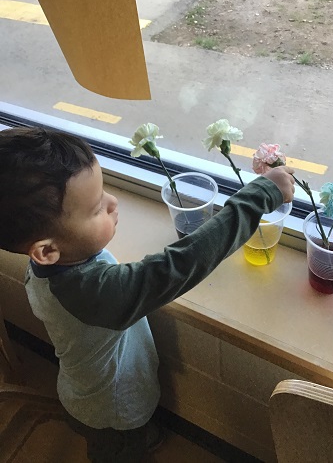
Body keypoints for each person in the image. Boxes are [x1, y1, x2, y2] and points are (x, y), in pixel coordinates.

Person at [0, 126, 295, 462]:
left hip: (85, 395)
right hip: (111, 413)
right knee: (122, 451)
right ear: (47, 250)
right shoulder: (96, 293)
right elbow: (182, 264)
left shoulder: (50, 267)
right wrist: (258, 195)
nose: (113, 202)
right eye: (96, 209)